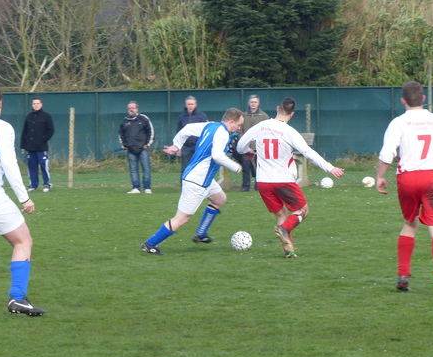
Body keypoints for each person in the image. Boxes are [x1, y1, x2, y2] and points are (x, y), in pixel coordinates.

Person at [376, 81, 433, 295]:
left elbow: (387, 153)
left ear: (403, 101)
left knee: (410, 224)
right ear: (423, 99)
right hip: (432, 178)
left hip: (407, 179)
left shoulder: (398, 123)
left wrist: (380, 176)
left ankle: (403, 276)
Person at [236, 97, 345, 258]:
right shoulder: (289, 131)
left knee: (281, 215)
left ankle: (288, 250)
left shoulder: (261, 126)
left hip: (263, 182)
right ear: (292, 114)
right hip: (283, 180)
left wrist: (248, 151)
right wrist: (330, 167)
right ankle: (285, 229)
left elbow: (240, 146)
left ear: (277, 108)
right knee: (303, 210)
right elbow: (308, 153)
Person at [141, 108, 244, 255]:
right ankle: (149, 244)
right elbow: (217, 156)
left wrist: (177, 144)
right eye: (239, 124)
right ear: (231, 122)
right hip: (197, 181)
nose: (239, 128)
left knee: (219, 199)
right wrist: (235, 167)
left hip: (204, 179)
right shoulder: (221, 133)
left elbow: (188, 128)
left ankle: (200, 234)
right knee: (181, 219)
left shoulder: (211, 125)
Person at [0, 85, 45, 316]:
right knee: (23, 241)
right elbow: (9, 164)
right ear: (0, 104)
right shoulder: (2, 127)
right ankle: (17, 298)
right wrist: (24, 198)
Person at [20, 96, 55, 193]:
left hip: (41, 147)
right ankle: (33, 185)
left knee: (44, 165)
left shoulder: (46, 116)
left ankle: (46, 184)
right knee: (32, 167)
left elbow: (51, 130)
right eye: (34, 103)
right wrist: (23, 145)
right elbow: (24, 131)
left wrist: (43, 139)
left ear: (41, 104)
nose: (36, 105)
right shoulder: (29, 116)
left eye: (37, 103)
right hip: (30, 147)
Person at [235, 94, 269, 192]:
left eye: (255, 102)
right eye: (251, 102)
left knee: (260, 166)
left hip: (259, 146)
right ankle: (245, 186)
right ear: (249, 103)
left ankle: (258, 186)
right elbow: (240, 130)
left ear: (258, 103)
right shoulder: (243, 116)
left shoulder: (264, 116)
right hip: (246, 146)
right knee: (245, 166)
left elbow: (266, 131)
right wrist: (244, 141)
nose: (253, 104)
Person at [119, 101, 154, 194]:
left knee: (146, 168)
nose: (131, 109)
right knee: (133, 170)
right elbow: (121, 134)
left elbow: (150, 131)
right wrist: (124, 145)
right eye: (130, 108)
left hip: (143, 148)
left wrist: (148, 143)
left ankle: (147, 187)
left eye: (133, 107)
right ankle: (136, 188)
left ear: (137, 108)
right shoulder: (125, 121)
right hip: (130, 149)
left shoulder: (143, 119)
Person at [176, 96, 208, 175]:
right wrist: (178, 147)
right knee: (185, 168)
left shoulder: (202, 116)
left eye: (192, 104)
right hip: (186, 147)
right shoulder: (181, 117)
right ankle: (184, 186)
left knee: (199, 168)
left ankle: (199, 186)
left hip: (198, 146)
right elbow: (178, 132)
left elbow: (206, 131)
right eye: (189, 104)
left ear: (195, 105)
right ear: (186, 105)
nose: (190, 106)